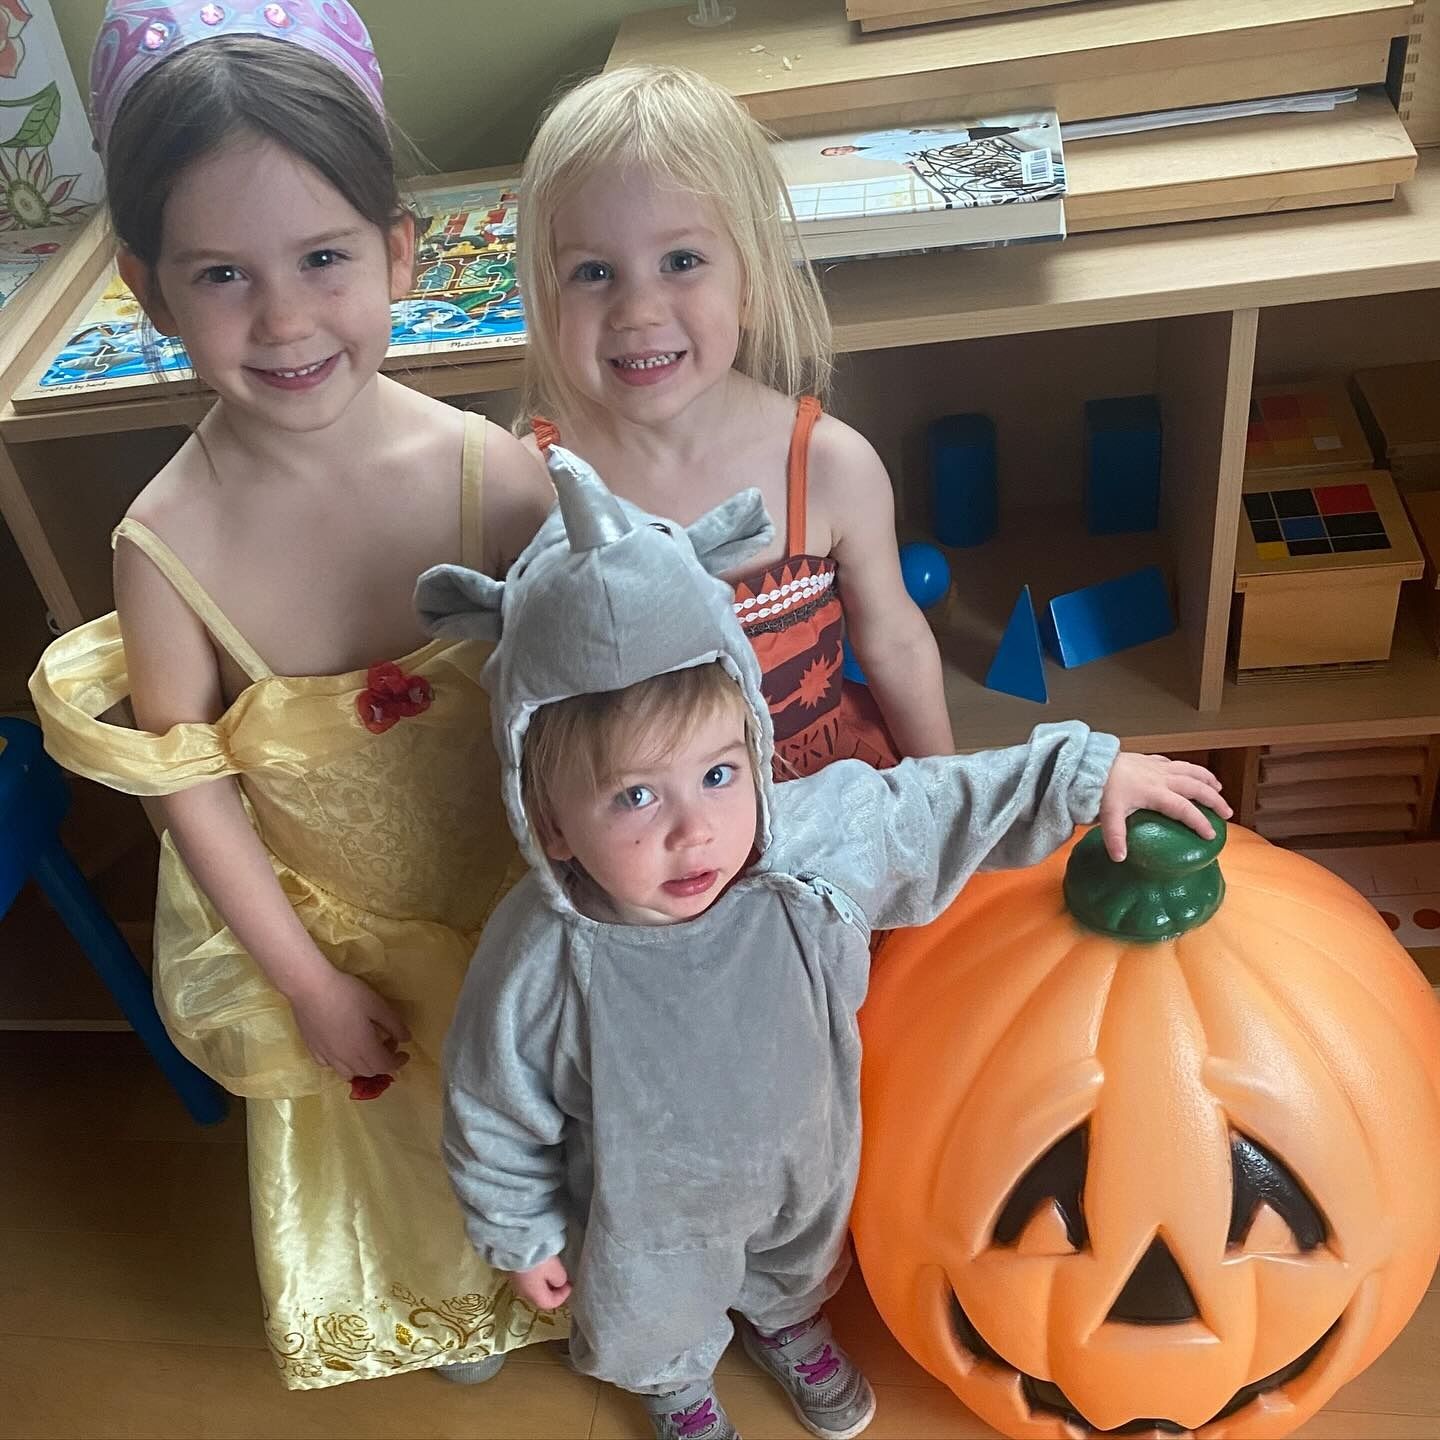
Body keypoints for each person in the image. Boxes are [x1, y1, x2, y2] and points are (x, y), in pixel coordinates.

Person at [419, 446, 1230, 1440]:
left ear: (752, 747)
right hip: (642, 1219)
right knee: (649, 1317)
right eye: (635, 797)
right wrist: (520, 1230)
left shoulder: (810, 840)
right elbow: (493, 1104)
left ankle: (787, 1324)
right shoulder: (543, 952)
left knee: (798, 1261)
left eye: (719, 776)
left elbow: (943, 804)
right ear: (550, 824)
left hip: (806, 1164)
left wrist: (1082, 776)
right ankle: (677, 1383)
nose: (694, 831)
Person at [29, 0, 557, 1389]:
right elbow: (187, 791)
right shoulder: (164, 548)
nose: (283, 319)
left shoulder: (494, 477)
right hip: (345, 944)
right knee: (407, 1143)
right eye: (221, 277)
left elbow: (590, 689)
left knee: (559, 1103)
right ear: (147, 291)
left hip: (529, 908)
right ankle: (450, 1291)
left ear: (398, 250)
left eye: (324, 258)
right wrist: (313, 987)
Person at [518, 63, 954, 778]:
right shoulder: (531, 487)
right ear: (546, 292)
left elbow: (896, 642)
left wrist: (956, 799)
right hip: (647, 848)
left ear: (749, 282)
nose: (638, 312)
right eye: (594, 272)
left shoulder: (827, 466)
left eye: (681, 261)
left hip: (829, 808)